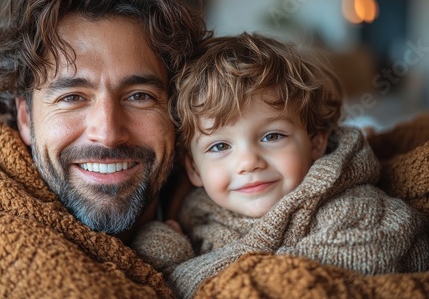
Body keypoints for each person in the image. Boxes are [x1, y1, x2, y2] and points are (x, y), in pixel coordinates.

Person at [0, 0, 208, 297]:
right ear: (26, 119)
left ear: (179, 111)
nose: (107, 133)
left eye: (139, 96)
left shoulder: (239, 190)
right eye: (72, 97)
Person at [131, 33, 429, 299]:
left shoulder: (352, 207)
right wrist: (167, 252)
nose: (248, 162)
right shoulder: (198, 213)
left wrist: (179, 273)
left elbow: (298, 281)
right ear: (195, 169)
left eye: (272, 136)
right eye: (220, 146)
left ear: (315, 141)